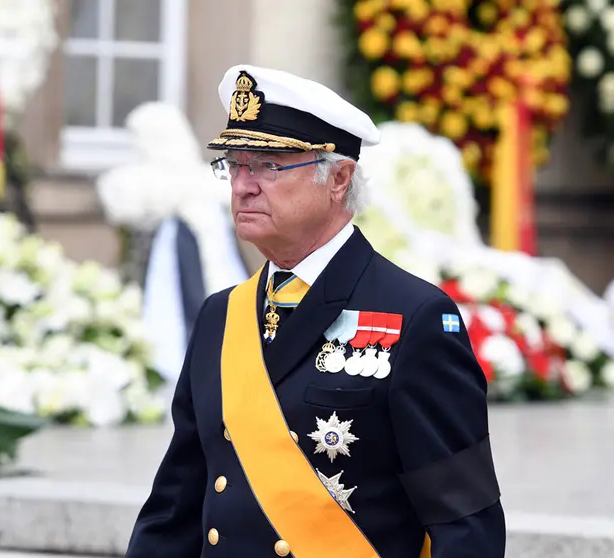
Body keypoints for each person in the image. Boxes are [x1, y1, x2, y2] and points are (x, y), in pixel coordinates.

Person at [125, 64, 506, 558]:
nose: (243, 185)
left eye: (268, 166)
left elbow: (465, 523)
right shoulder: (222, 316)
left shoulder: (416, 317)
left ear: (339, 177)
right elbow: (176, 506)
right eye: (234, 165)